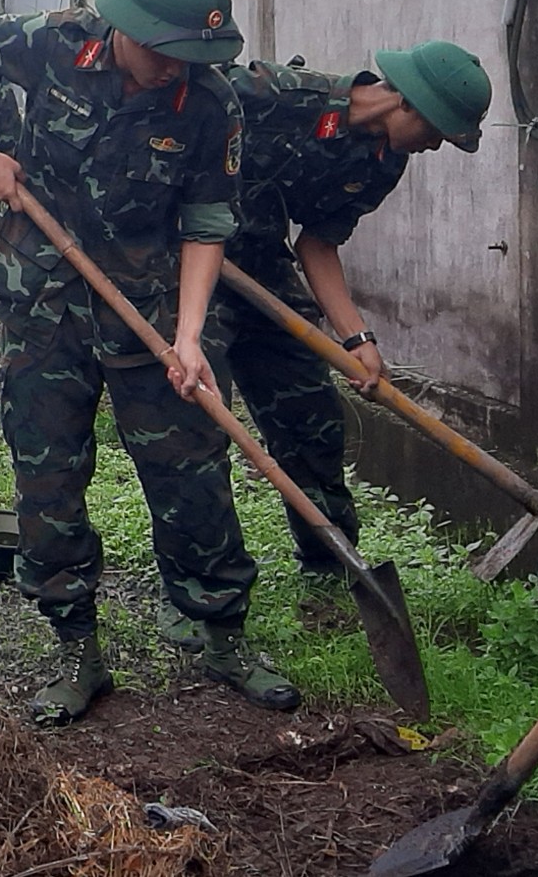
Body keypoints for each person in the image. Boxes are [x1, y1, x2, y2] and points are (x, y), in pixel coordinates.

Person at [0, 0, 296, 724]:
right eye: (164, 51)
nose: (174, 70)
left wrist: (190, 337)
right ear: (125, 29)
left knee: (190, 470)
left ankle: (221, 632)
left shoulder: (210, 104)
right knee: (47, 479)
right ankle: (76, 647)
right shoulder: (55, 42)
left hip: (149, 304)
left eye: (193, 56)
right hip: (41, 300)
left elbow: (207, 223)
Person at [168, 43, 487, 631]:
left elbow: (317, 242)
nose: (438, 145)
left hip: (259, 271)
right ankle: (199, 593)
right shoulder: (270, 93)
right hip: (183, 267)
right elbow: (170, 119)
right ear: (407, 104)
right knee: (196, 429)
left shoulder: (384, 160)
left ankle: (330, 571)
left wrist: (355, 336)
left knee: (312, 422)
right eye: (440, 131)